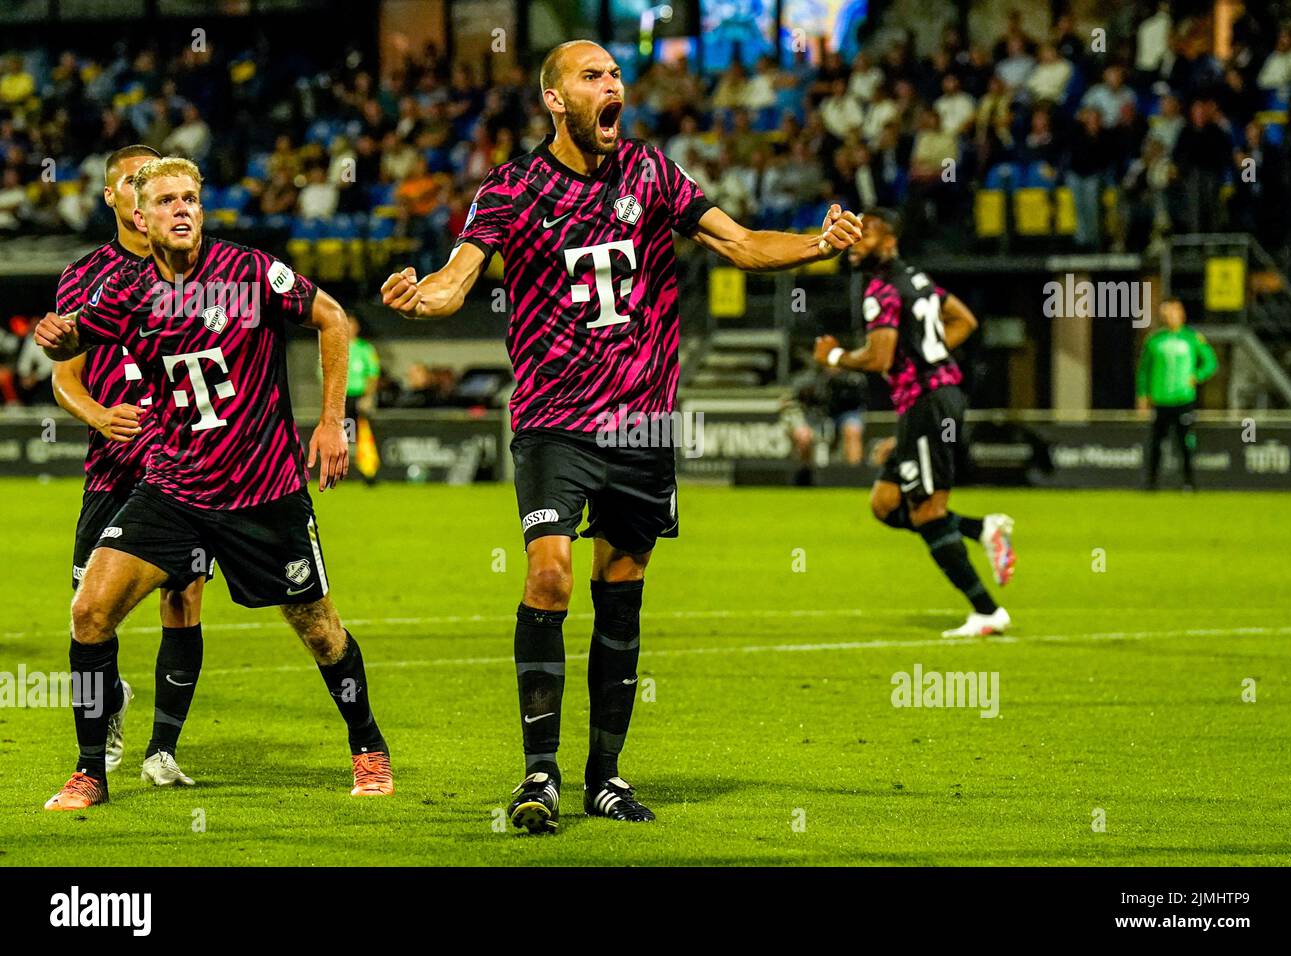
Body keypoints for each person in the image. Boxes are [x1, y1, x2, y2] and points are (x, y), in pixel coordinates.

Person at [381, 40, 862, 834]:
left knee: (622, 592)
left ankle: (604, 776)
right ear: (555, 99)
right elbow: (457, 277)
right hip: (554, 419)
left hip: (641, 421)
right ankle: (539, 774)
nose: (613, 86)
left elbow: (740, 243)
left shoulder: (652, 173)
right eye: (592, 76)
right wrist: (421, 299)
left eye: (615, 76)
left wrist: (817, 243)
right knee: (549, 578)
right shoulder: (512, 189)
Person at [35, 157, 392, 810]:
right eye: (167, 199)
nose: (181, 209)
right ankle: (91, 770)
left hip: (264, 489)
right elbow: (70, 347)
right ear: (140, 214)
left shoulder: (251, 272)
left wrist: (332, 422)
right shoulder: (124, 290)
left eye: (191, 198)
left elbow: (334, 318)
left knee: (318, 629)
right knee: (89, 612)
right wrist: (55, 337)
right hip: (173, 488)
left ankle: (367, 745)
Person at [51, 144, 208, 789]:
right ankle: (106, 717)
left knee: (185, 595)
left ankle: (162, 748)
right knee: (90, 610)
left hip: (186, 466)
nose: (151, 195)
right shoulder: (83, 276)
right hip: (113, 467)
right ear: (117, 200)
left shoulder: (205, 272)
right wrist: (97, 414)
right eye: (131, 183)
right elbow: (65, 380)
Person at [812, 209, 1015, 638]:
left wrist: (833, 356)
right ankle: (982, 529)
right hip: (933, 397)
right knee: (886, 504)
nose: (853, 242)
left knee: (926, 511)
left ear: (888, 244)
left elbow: (879, 357)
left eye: (864, 235)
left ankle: (987, 612)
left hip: (928, 402)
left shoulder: (881, 289)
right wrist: (928, 351)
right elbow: (965, 320)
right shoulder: (918, 280)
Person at [1137, 298, 1218, 490]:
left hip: (1183, 398)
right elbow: (1143, 370)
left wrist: (1197, 375)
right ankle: (1151, 483)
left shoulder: (1192, 338)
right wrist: (1142, 394)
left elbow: (1210, 362)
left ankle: (1189, 483)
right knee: (1156, 443)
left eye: (1172, 312)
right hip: (1161, 399)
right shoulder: (1154, 340)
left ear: (1181, 314)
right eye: (1165, 313)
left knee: (1185, 443)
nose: (1168, 316)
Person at [345, 314, 381, 483]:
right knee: (345, 435)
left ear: (357, 328)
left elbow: (373, 375)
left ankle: (367, 471)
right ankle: (343, 471)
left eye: (351, 324)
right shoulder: (335, 346)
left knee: (363, 434)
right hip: (341, 399)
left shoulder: (365, 349)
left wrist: (368, 396)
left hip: (359, 397)